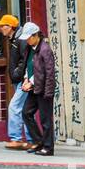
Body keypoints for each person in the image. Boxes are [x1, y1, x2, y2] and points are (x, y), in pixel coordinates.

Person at [0, 13, 31, 150]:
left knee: (14, 107)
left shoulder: (20, 40)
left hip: (23, 81)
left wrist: (17, 73)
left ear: (10, 27)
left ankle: (16, 139)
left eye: (3, 25)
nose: (0, 28)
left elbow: (25, 60)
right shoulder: (15, 39)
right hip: (20, 80)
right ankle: (30, 139)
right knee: (24, 109)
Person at [20, 22, 56, 157]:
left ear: (36, 35)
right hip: (34, 88)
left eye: (29, 37)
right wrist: (25, 79)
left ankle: (48, 148)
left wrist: (31, 82)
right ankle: (39, 141)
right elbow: (29, 65)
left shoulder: (45, 49)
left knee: (45, 119)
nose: (27, 40)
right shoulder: (30, 48)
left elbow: (48, 72)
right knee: (26, 113)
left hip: (44, 88)